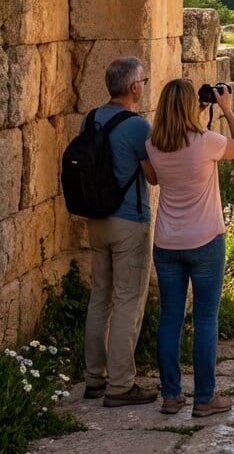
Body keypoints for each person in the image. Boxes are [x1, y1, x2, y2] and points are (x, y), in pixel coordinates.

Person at [143, 79, 234, 418]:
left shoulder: (152, 145)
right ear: (191, 106)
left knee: (170, 318)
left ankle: (170, 396)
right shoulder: (207, 142)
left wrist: (198, 112)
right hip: (205, 240)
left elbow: (155, 178)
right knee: (205, 318)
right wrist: (226, 109)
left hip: (166, 243)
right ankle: (204, 398)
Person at [82, 58, 158, 407]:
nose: (143, 86)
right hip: (129, 221)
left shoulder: (90, 119)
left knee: (100, 297)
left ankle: (94, 378)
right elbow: (153, 176)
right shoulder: (137, 126)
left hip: (96, 219)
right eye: (143, 81)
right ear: (134, 87)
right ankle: (121, 384)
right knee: (128, 300)